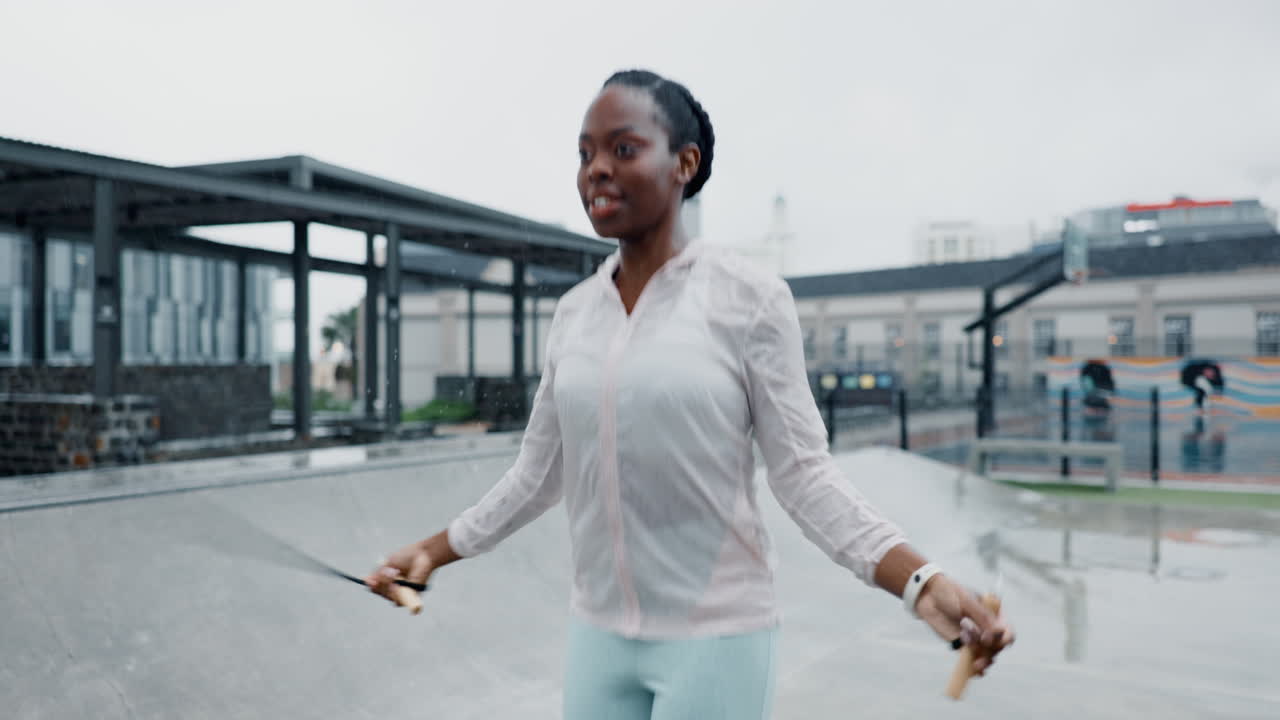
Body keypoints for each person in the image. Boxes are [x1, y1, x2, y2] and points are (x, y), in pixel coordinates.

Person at [367, 69, 1014, 719]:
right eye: (585, 153)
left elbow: (804, 475)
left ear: (684, 163)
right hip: (598, 637)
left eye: (623, 149)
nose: (597, 169)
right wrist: (431, 551)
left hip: (717, 640)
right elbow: (538, 475)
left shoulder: (749, 298)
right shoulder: (573, 315)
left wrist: (918, 581)